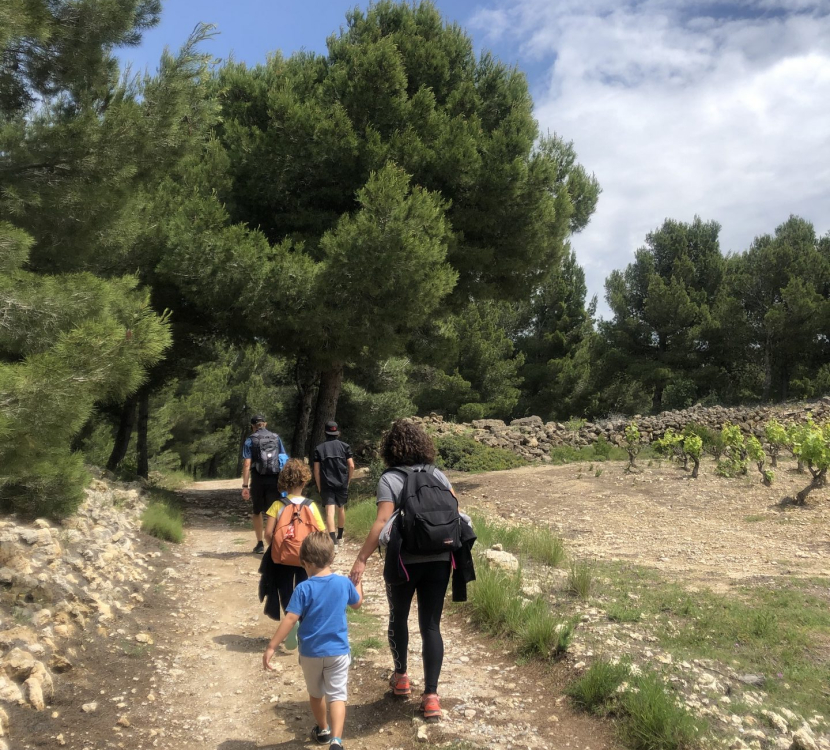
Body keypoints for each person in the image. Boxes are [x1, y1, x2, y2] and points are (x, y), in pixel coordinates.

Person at [349, 420, 455, 720]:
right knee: (431, 626)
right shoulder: (439, 474)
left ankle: (402, 677)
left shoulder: (390, 479)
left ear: (390, 449)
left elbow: (382, 522)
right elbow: (455, 512)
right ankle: (432, 697)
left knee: (399, 616)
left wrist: (361, 559)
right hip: (440, 558)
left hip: (404, 561)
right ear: (424, 445)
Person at [264, 532, 363, 750]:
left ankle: (323, 730)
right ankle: (337, 741)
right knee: (337, 695)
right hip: (337, 651)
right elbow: (357, 604)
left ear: (305, 563)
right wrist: (358, 583)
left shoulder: (303, 588)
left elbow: (290, 619)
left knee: (316, 693)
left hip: (310, 652)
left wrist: (272, 646)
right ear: (332, 558)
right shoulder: (343, 583)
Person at [262, 459, 326, 649]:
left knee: (286, 591)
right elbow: (320, 532)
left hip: (282, 558)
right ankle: (305, 625)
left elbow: (267, 533)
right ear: (304, 482)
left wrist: (275, 546)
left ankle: (291, 622)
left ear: (284, 482)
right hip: (305, 558)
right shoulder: (311, 505)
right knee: (304, 589)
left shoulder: (277, 504)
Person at [241, 415, 287, 554]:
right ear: (265, 424)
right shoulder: (275, 437)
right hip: (275, 478)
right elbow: (283, 458)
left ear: (252, 426)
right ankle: (276, 543)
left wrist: (245, 486)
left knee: (257, 511)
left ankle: (260, 544)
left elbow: (247, 463)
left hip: (258, 479)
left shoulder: (250, 440)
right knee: (275, 511)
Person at [313, 421, 355, 545]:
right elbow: (351, 466)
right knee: (341, 508)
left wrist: (319, 486)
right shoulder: (345, 446)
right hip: (342, 482)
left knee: (329, 511)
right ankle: (341, 537)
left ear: (325, 432)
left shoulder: (319, 449)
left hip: (326, 483)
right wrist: (348, 481)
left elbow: (316, 470)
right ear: (337, 432)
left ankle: (333, 541)